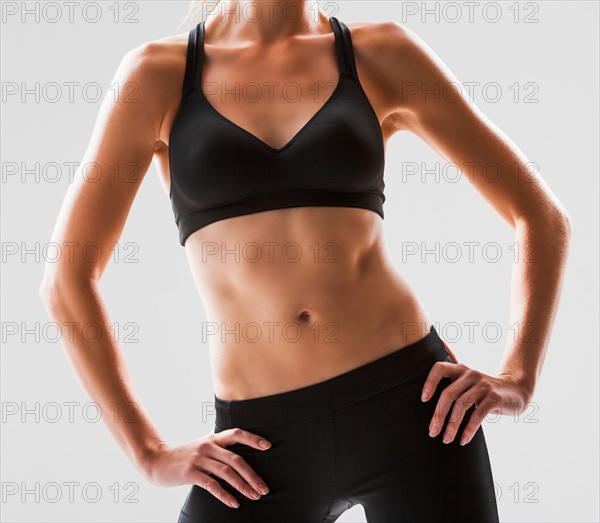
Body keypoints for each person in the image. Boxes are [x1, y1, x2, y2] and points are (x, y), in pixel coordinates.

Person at [39, 1, 572, 522]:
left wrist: (517, 377)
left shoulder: (381, 53)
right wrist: (147, 453)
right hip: (256, 450)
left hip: (414, 415)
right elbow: (67, 278)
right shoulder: (157, 74)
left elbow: (541, 217)